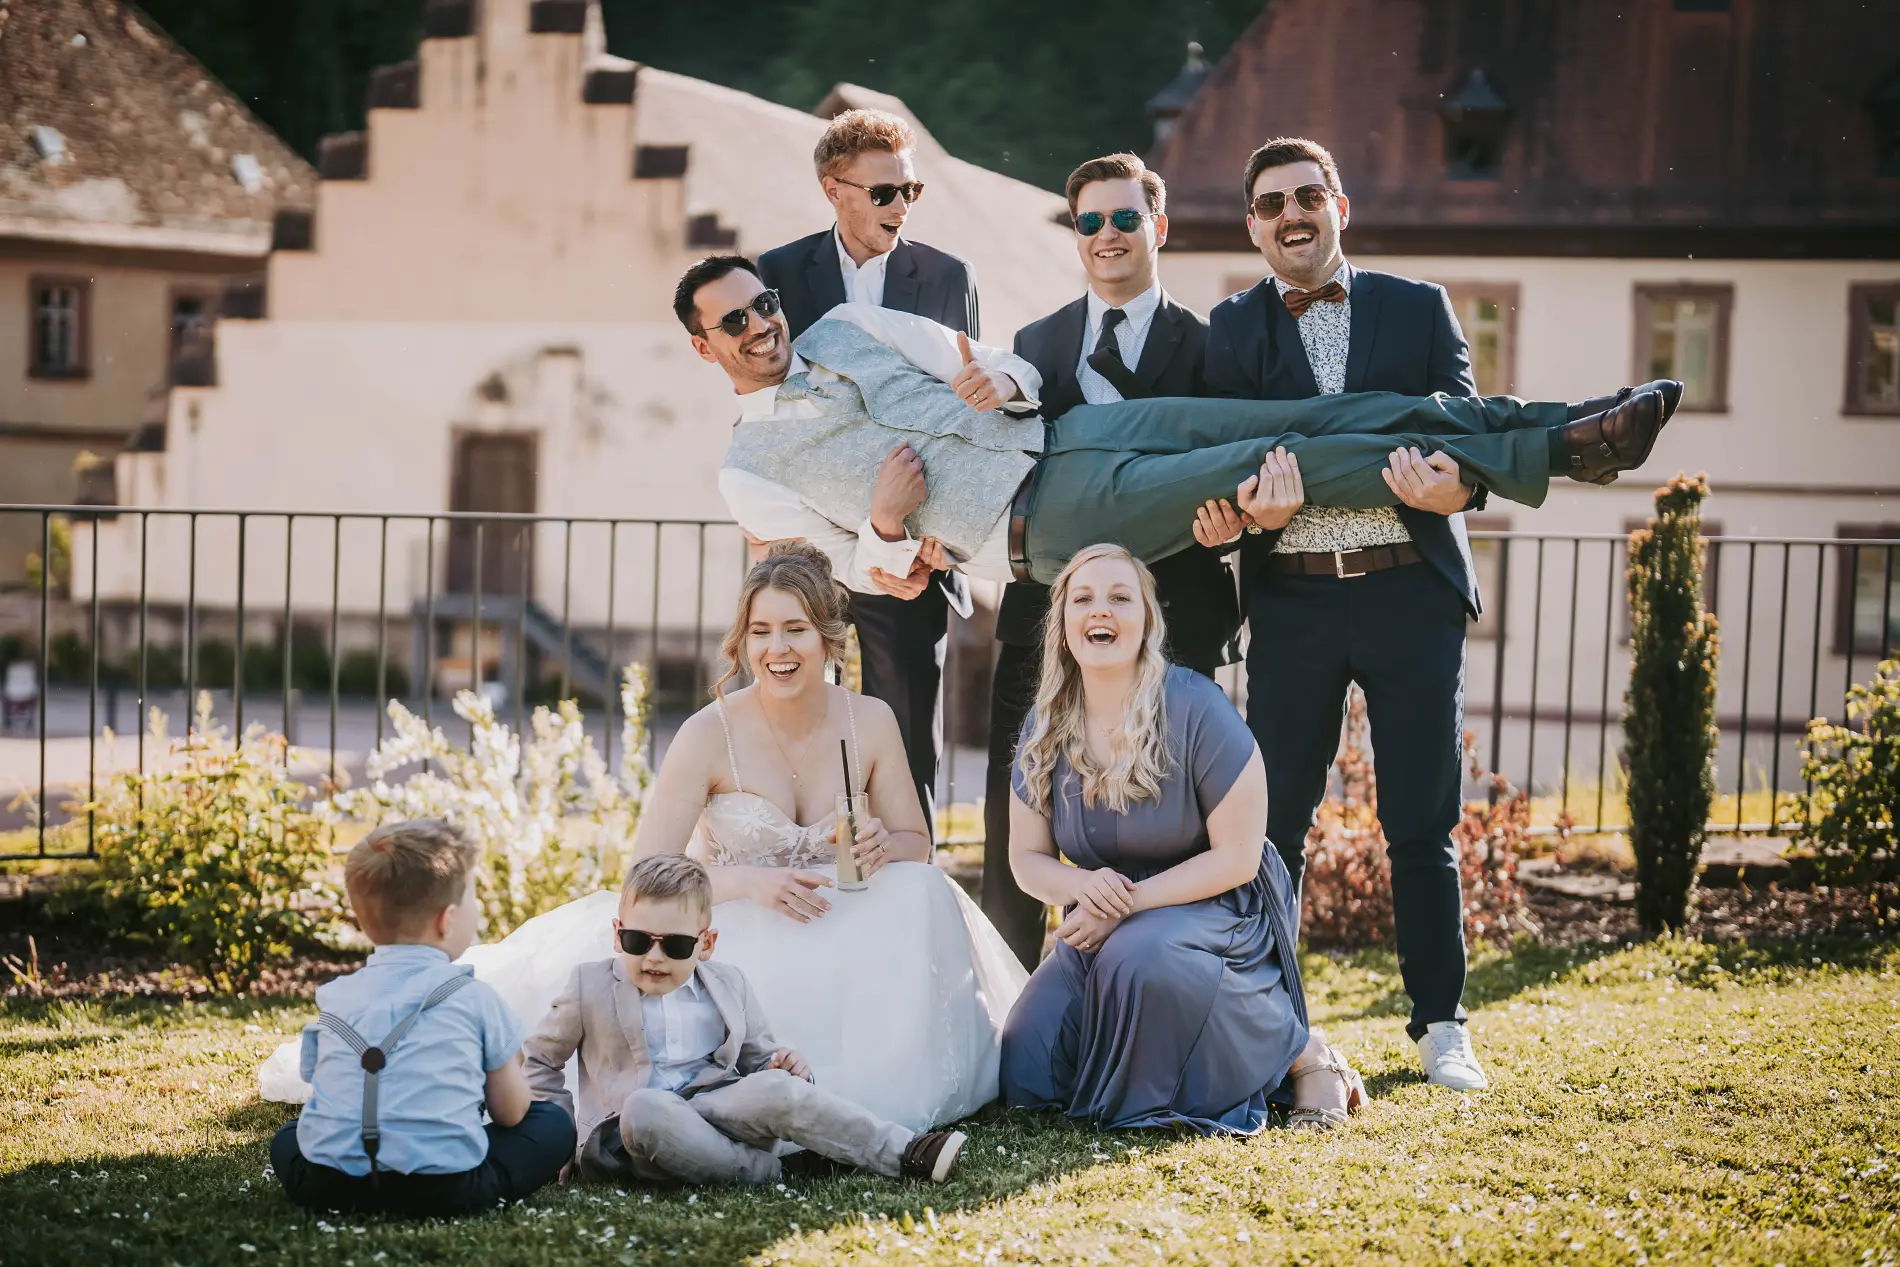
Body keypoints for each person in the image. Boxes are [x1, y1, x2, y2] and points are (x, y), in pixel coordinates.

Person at [1191, 137, 1684, 1094]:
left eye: (1307, 196)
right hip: (1293, 598)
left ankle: (1441, 1024)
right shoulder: (1232, 326)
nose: (1292, 215)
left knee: (1422, 818)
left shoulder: (1419, 306)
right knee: (1274, 824)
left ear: (1340, 206)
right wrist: (1253, 515)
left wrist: (1457, 491)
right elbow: (1228, 460)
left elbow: (1460, 434)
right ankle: (1267, 1019)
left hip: (1409, 591)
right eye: (1271, 204)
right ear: (1252, 226)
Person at [449, 543, 1028, 1135]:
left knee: (922, 887)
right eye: (761, 632)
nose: (777, 649)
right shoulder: (708, 734)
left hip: (840, 915)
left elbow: (915, 841)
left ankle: (889, 1080)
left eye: (795, 629)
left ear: (828, 638)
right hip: (732, 925)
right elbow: (647, 872)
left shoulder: (870, 721)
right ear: (743, 642)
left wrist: (884, 845)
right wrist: (751, 883)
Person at [685, 252, 1677, 592]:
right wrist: (886, 526)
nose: (761, 323)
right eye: (735, 321)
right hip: (1038, 523)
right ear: (705, 347)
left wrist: (1004, 381)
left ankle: (1566, 423)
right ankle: (1551, 454)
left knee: (1308, 411)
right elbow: (849, 573)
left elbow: (990, 360)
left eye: (762, 302)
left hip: (1068, 432)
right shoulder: (749, 473)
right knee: (1284, 459)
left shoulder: (848, 324)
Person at [998, 545, 1364, 1132]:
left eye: (1121, 598)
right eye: (1083, 599)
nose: (1101, 611)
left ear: (1147, 620)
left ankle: (1302, 1052)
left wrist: (1125, 906)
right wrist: (1086, 889)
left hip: (1213, 905)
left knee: (1137, 959)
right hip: (1105, 913)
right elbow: (1026, 859)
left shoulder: (1196, 705)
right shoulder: (1045, 724)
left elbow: (1240, 857)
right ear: (1062, 623)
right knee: (1027, 1064)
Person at [984, 153, 1240, 968]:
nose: (1108, 235)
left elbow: (1230, 469)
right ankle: (1014, 992)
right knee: (1015, 810)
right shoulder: (1035, 344)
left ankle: (1166, 977)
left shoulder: (1212, 348)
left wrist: (1230, 528)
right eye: (1090, 220)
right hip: (1046, 615)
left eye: (1126, 218)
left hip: (1180, 608)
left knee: (1172, 810)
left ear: (1157, 227)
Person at [758, 108, 981, 840]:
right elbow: (765, 404)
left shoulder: (948, 276)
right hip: (808, 544)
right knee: (787, 731)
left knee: (907, 742)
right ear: (834, 189)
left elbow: (965, 415)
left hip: (909, 547)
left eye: (910, 191)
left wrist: (943, 536)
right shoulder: (776, 273)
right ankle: (804, 875)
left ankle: (910, 886)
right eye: (884, 192)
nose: (901, 206)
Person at [523, 854, 968, 1185]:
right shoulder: (589, 984)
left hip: (718, 1113)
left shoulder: (728, 983)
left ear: (706, 943)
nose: (654, 957)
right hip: (635, 1132)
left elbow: (758, 1058)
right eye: (638, 941)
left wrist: (781, 1065)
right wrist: (558, 1140)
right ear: (617, 934)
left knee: (777, 1088)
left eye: (675, 946)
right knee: (646, 1107)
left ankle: (905, 1151)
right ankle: (773, 1172)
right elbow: (541, 1059)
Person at [271, 820, 575, 1217]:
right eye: (472, 899)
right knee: (552, 1122)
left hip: (327, 1184)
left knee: (289, 1135)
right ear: (447, 920)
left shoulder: (337, 997)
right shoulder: (476, 997)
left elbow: (328, 1092)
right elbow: (511, 1112)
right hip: (444, 1189)